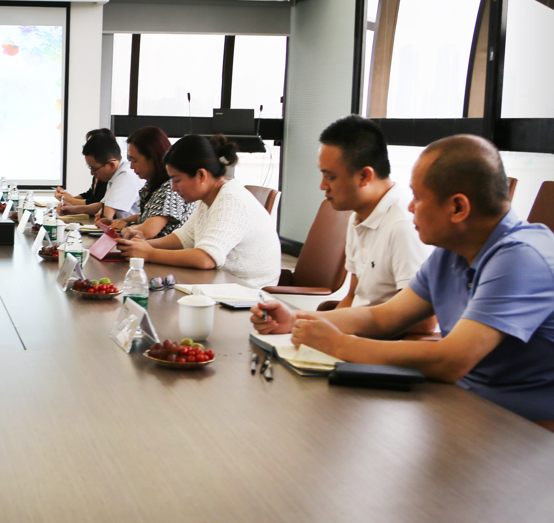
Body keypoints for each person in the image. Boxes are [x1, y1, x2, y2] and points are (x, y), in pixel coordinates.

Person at [252, 135, 554, 429]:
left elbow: (452, 360)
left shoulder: (521, 258)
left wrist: (341, 345)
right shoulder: (452, 252)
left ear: (458, 208)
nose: (410, 207)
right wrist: (296, 320)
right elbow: (382, 317)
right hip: (462, 406)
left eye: (418, 198)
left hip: (521, 429)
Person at [118, 134, 280, 287]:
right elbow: (183, 238)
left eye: (177, 180)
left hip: (248, 293)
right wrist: (142, 245)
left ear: (201, 175)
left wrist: (150, 253)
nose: (173, 188)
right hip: (222, 284)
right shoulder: (209, 198)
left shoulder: (230, 199)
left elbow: (206, 258)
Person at [318, 116, 432, 319]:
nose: (322, 186)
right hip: (357, 332)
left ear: (364, 176)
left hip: (381, 337)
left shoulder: (404, 225)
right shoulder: (358, 217)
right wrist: (305, 323)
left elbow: (422, 321)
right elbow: (353, 297)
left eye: (330, 177)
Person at [98, 126, 192, 239]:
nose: (132, 166)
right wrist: (117, 222)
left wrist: (126, 226)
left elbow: (148, 231)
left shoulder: (170, 187)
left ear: (153, 158)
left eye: (135, 160)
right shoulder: (153, 183)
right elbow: (146, 216)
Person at [59, 132, 143, 221]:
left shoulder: (126, 175)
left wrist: (74, 203)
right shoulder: (116, 174)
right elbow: (102, 205)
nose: (92, 173)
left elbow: (106, 216)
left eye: (94, 168)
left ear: (111, 164)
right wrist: (73, 209)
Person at [55, 128, 114, 207]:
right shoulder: (97, 170)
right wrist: (68, 198)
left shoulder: (106, 174)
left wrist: (72, 201)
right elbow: (90, 194)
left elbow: (99, 203)